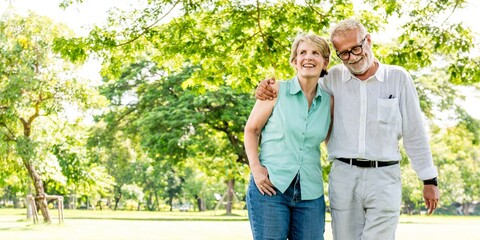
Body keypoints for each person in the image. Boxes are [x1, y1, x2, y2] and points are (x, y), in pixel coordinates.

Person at [255, 19, 440, 240]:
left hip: (385, 176)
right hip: (344, 175)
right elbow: (302, 84)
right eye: (343, 53)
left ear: (368, 41)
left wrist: (429, 179)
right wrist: (266, 88)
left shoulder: (397, 78)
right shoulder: (331, 78)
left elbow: (414, 131)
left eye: (355, 49)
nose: (352, 57)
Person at [244, 33, 332, 240]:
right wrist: (256, 169)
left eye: (315, 53)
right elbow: (252, 130)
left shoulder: (330, 101)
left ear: (325, 62)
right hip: (270, 188)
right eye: (302, 53)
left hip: (310, 192)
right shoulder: (275, 90)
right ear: (294, 61)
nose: (308, 57)